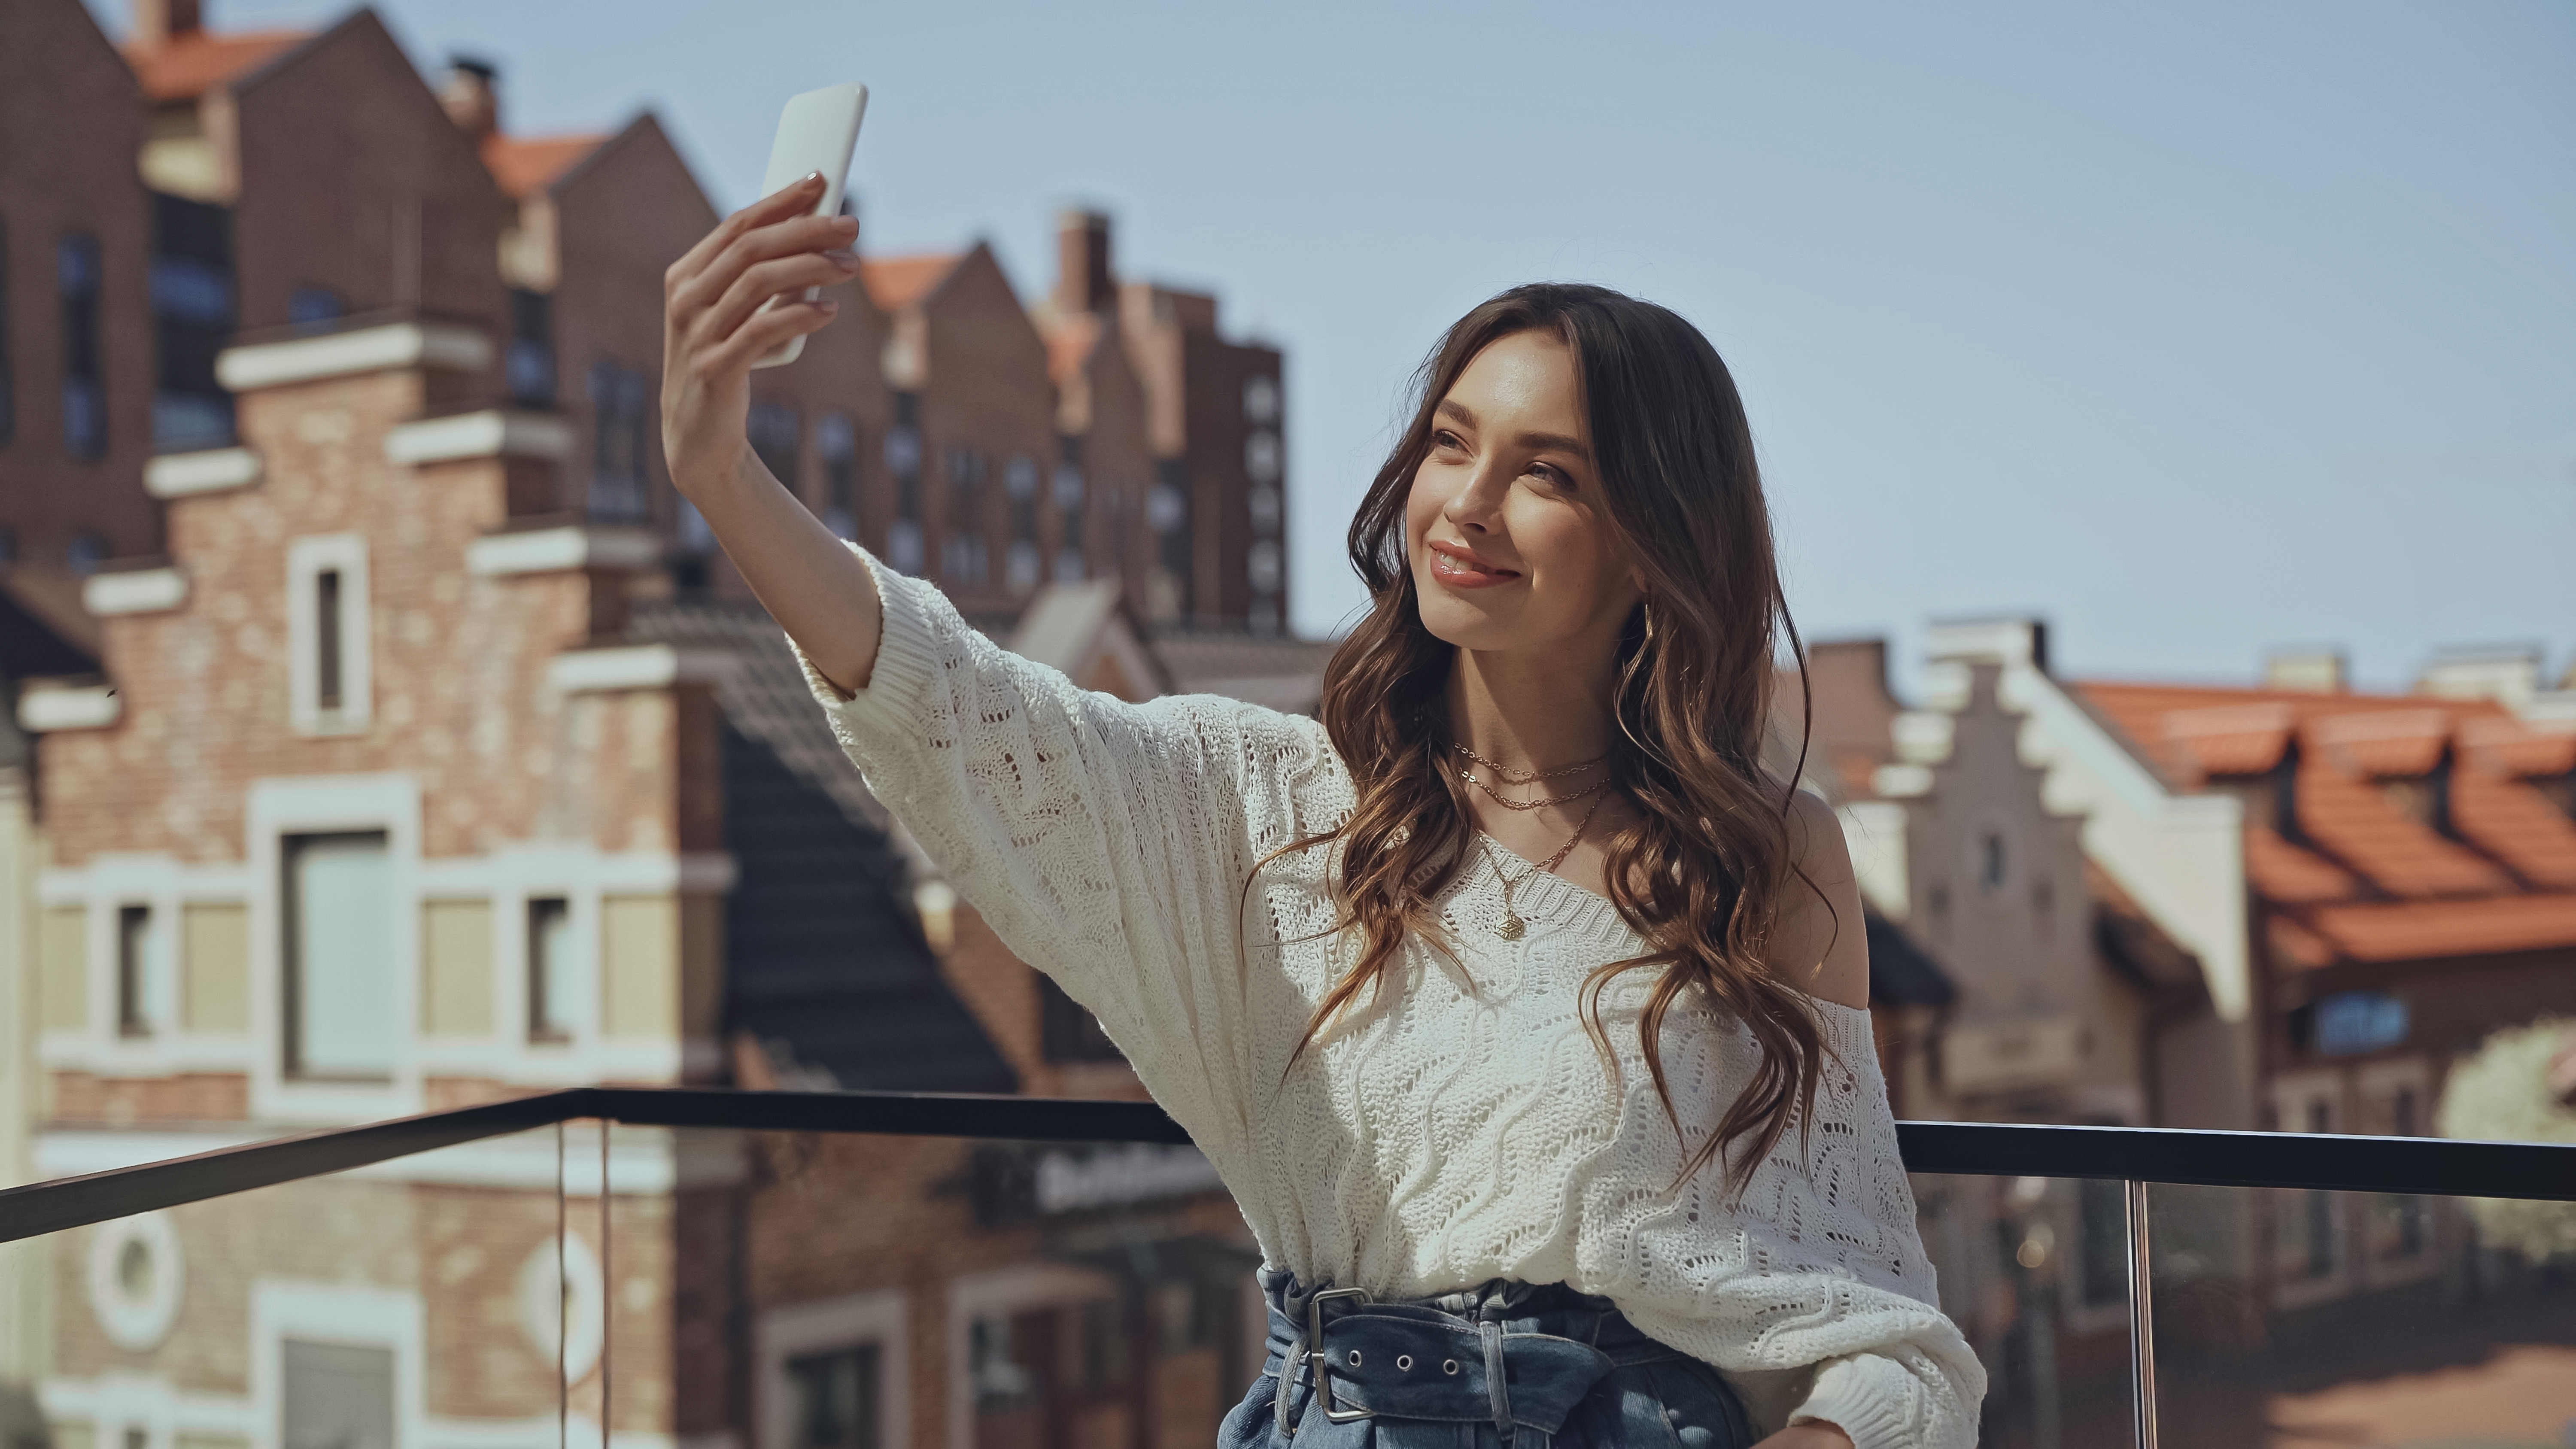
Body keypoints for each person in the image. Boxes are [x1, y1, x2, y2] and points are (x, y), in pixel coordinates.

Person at [661, 173, 1986, 1449]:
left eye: (1549, 474)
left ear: (1655, 541)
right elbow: (951, 708)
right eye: (1451, 443)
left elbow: (1870, 1320)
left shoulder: (1767, 854)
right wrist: (721, 470)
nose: (1464, 504)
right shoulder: (1275, 808)